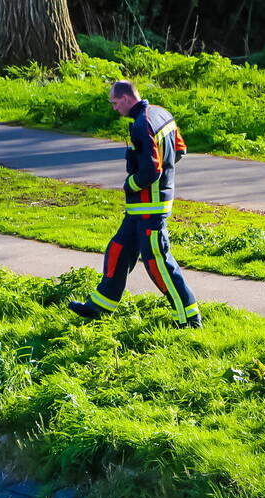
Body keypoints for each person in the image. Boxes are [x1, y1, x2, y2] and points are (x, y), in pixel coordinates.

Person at [69, 80, 201, 328]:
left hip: (150, 208)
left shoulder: (142, 125)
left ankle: (189, 318)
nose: (114, 108)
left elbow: (151, 172)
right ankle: (99, 307)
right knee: (118, 250)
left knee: (157, 263)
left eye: (115, 102)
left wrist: (130, 183)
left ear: (127, 98)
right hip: (140, 209)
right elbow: (181, 149)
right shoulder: (162, 114)